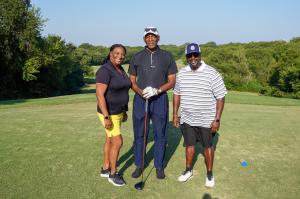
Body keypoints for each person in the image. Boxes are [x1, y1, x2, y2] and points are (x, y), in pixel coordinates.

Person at [173, 43, 227, 188]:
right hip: (187, 118)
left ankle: (209, 174)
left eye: (195, 54)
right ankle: (188, 170)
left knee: (208, 147)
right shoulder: (182, 73)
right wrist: (175, 114)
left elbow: (221, 97)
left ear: (200, 55)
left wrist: (217, 119)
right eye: (189, 56)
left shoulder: (212, 73)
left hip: (206, 120)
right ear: (186, 57)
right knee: (189, 145)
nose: (193, 58)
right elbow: (177, 93)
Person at [128, 26, 177, 179]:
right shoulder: (136, 57)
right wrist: (141, 92)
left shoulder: (167, 56)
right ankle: (139, 165)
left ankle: (159, 166)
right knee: (139, 134)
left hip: (160, 99)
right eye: (147, 36)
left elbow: (172, 81)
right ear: (144, 39)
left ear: (158, 38)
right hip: (141, 100)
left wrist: (157, 90)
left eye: (153, 36)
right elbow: (132, 81)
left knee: (160, 134)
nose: (150, 39)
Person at [96, 44, 131, 186]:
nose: (119, 56)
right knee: (118, 141)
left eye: (122, 54)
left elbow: (124, 91)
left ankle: (105, 168)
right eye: (116, 53)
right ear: (110, 54)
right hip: (108, 113)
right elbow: (99, 94)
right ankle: (113, 174)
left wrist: (124, 110)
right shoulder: (105, 70)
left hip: (118, 112)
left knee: (110, 140)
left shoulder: (121, 69)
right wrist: (106, 117)